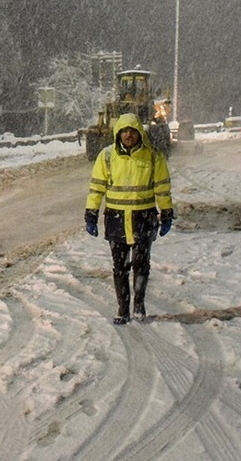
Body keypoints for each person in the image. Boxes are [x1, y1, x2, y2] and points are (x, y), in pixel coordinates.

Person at [84, 112, 173, 325]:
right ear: (118, 133)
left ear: (139, 133)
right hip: (116, 219)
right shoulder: (106, 156)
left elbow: (162, 188)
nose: (128, 135)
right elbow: (96, 188)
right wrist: (91, 213)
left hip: (144, 218)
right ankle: (123, 309)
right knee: (120, 266)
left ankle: (139, 305)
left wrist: (167, 212)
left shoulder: (152, 156)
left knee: (141, 264)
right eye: (124, 131)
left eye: (132, 131)